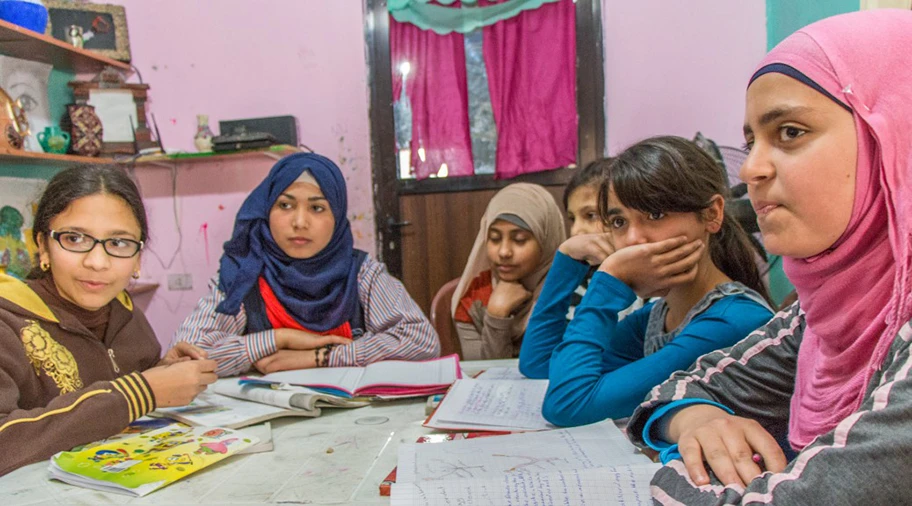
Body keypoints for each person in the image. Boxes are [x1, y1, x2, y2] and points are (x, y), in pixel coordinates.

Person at [626, 10, 912, 504]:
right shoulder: (819, 315)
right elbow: (665, 394)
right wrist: (697, 418)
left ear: (893, 137)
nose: (752, 169)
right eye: (751, 141)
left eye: (791, 133)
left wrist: (675, 468)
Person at [520, 137, 774, 426]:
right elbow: (539, 362)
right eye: (619, 222)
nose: (632, 240)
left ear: (712, 214)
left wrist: (610, 281)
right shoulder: (659, 315)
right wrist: (567, 258)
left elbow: (568, 404)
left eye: (655, 214)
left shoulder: (733, 321)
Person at [0, 165, 216, 476]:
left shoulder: (126, 315)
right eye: (74, 239)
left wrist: (160, 374)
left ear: (139, 257)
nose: (97, 262)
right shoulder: (8, 319)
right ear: (42, 246)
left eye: (118, 243)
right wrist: (140, 392)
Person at [176, 153, 439, 376]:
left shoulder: (361, 273)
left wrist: (321, 357)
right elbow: (187, 355)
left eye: (317, 208)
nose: (300, 222)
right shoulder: (243, 275)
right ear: (266, 211)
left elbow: (421, 341)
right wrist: (281, 339)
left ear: (336, 217)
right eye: (286, 205)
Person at [452, 183, 565, 360]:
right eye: (495, 238)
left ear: (546, 240)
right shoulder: (473, 299)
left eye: (519, 240)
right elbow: (484, 374)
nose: (504, 252)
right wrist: (496, 315)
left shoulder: (569, 292)